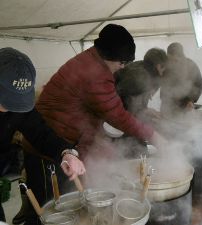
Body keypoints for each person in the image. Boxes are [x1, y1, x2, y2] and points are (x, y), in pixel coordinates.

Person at [36, 24, 167, 161]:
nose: (122, 66)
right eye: (121, 61)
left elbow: (92, 107)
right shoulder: (96, 75)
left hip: (61, 137)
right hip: (50, 143)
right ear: (108, 54)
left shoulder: (91, 58)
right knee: (56, 181)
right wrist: (153, 135)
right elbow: (117, 115)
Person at [0, 47, 86, 224]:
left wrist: (66, 153)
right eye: (6, 101)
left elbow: (40, 132)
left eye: (17, 101)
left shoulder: (17, 109)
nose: (11, 108)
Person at [114, 47, 168, 157]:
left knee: (138, 149)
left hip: (123, 118)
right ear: (158, 65)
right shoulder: (139, 76)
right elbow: (131, 110)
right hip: (120, 122)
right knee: (136, 154)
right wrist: (146, 112)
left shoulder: (144, 67)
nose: (163, 72)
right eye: (163, 67)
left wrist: (146, 110)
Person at [160, 42, 202, 118]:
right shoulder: (166, 66)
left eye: (175, 60)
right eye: (170, 60)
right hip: (167, 105)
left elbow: (199, 86)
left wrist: (191, 100)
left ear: (181, 56)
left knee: (182, 125)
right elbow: (158, 81)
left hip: (185, 107)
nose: (172, 63)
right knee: (165, 125)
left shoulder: (191, 66)